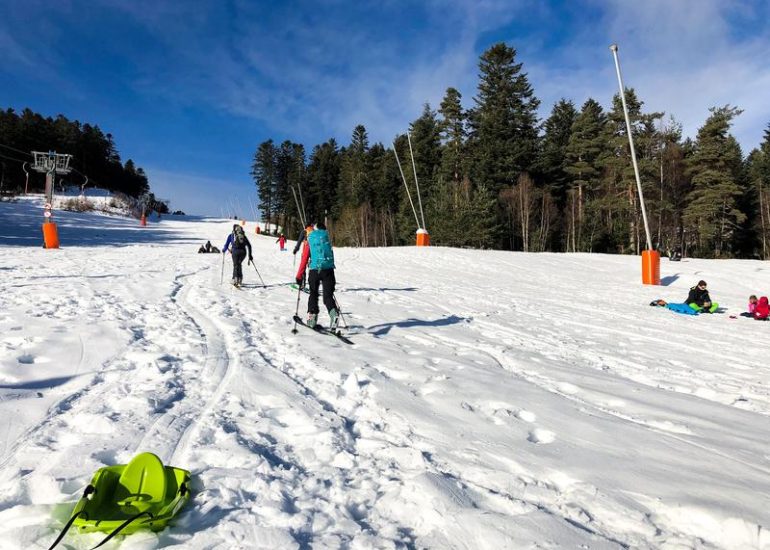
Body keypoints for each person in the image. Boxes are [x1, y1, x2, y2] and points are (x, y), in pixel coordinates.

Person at [306, 222, 337, 329]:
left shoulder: (310, 238)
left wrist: (300, 274)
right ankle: (334, 314)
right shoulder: (327, 237)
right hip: (328, 270)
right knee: (328, 296)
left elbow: (305, 256)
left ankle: (312, 319)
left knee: (313, 294)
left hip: (315, 270)